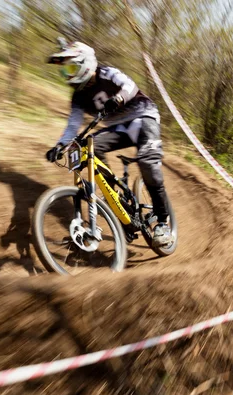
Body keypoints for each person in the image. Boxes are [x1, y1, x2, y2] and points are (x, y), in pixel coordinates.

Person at [45, 40, 172, 247]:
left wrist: (120, 98)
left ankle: (162, 222)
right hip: (118, 127)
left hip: (143, 117)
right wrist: (60, 145)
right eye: (63, 71)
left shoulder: (106, 73)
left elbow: (130, 86)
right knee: (87, 146)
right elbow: (73, 125)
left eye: (70, 68)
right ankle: (117, 202)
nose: (67, 75)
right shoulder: (77, 97)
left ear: (84, 64)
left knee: (147, 163)